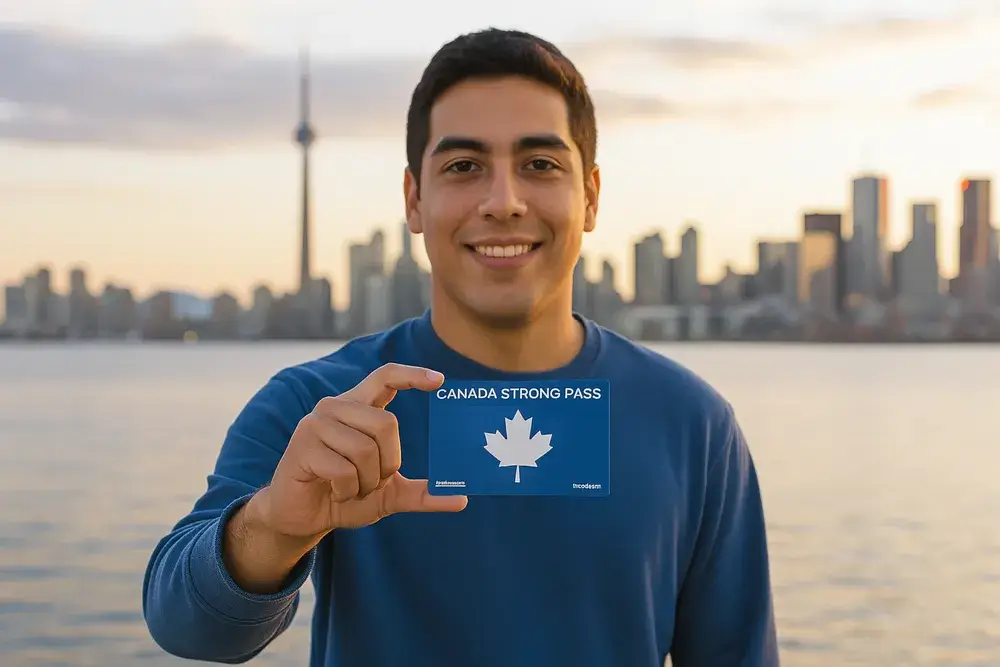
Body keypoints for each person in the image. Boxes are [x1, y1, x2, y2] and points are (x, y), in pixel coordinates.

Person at [142, 27, 779, 667]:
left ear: (589, 197)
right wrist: (276, 527)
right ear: (414, 200)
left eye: (540, 165)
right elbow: (187, 626)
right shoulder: (324, 409)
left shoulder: (690, 424)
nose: (503, 202)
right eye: (464, 167)